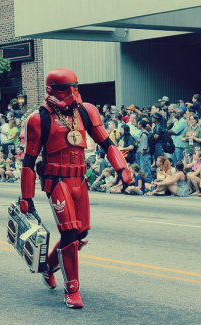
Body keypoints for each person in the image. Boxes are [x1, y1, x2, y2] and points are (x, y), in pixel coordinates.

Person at [19, 68, 131, 309]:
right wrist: (26, 197)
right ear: (50, 90)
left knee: (80, 235)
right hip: (56, 180)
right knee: (69, 233)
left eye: (74, 86)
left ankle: (49, 266)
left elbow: (106, 142)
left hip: (80, 179)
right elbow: (29, 160)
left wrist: (121, 166)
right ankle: (72, 289)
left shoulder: (86, 111)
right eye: (64, 88)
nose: (71, 92)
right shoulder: (38, 119)